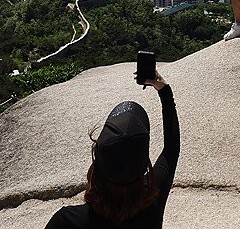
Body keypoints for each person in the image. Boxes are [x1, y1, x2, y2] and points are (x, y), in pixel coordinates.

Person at [45, 72, 179, 228]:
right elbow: (171, 149)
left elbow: (172, 149)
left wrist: (164, 91)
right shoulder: (152, 206)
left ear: (96, 168)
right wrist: (164, 90)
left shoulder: (66, 221)